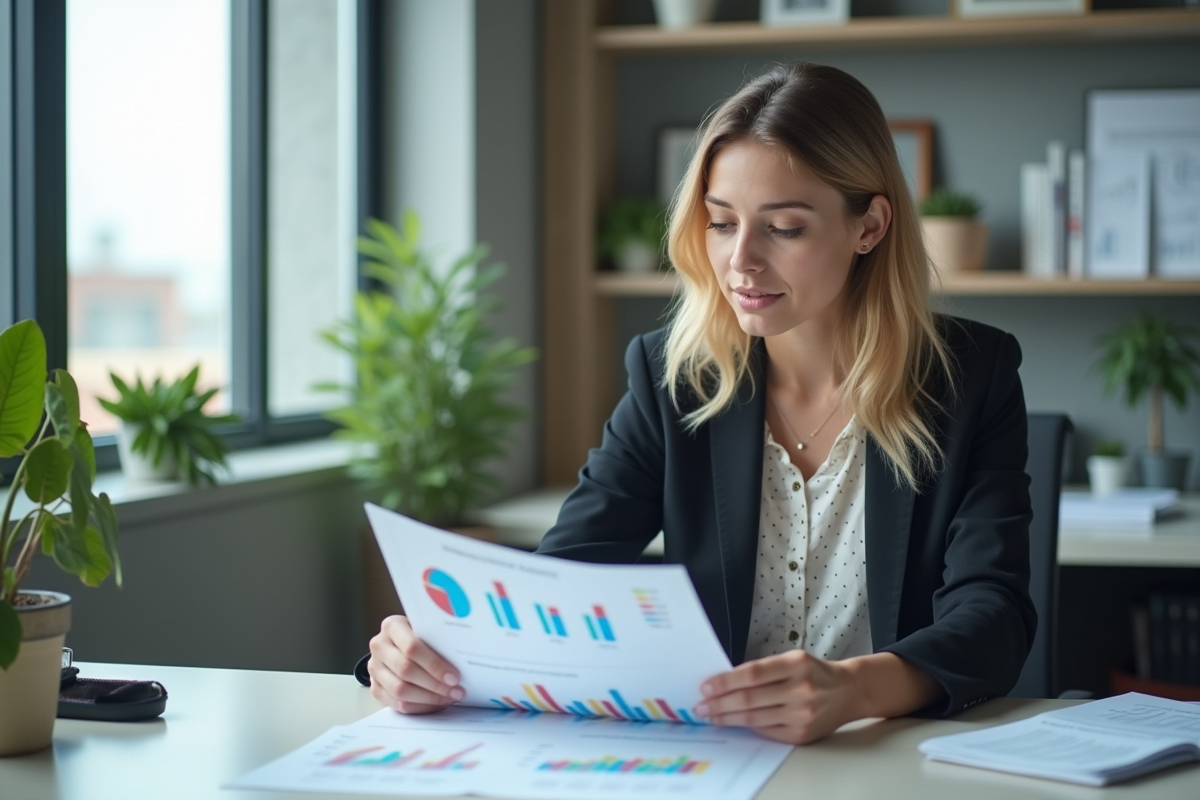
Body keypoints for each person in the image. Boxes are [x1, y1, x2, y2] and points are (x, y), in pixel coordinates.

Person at [362, 62, 1035, 746]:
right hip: (714, 757)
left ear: (870, 225)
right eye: (720, 223)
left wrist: (854, 689)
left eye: (784, 228)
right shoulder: (673, 379)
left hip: (885, 753)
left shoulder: (971, 377)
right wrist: (417, 655)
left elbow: (994, 615)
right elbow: (563, 579)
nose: (741, 260)